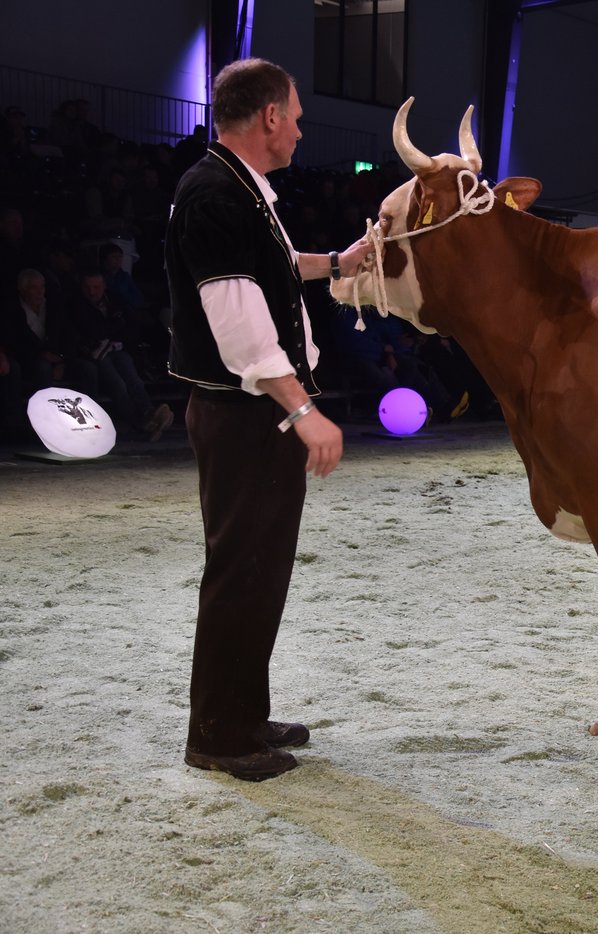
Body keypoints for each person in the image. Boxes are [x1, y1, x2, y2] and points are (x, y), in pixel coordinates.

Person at [165, 58, 372, 781]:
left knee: (261, 572)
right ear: (270, 118)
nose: (302, 126)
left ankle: (243, 714)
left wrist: (341, 262)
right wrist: (306, 410)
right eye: (297, 113)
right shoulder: (213, 195)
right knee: (241, 570)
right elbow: (242, 329)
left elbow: (277, 268)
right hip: (243, 414)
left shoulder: (239, 190)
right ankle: (217, 737)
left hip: (254, 416)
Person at [66, 268, 172, 440]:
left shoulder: (114, 300)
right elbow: (91, 331)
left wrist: (113, 329)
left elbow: (129, 326)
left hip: (117, 349)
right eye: (88, 287)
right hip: (93, 354)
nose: (92, 292)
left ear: (103, 286)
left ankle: (149, 412)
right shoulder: (77, 304)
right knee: (117, 384)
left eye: (96, 287)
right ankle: (140, 421)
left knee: (132, 377)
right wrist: (113, 325)